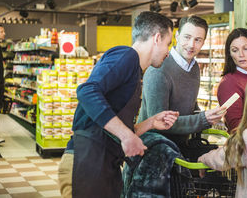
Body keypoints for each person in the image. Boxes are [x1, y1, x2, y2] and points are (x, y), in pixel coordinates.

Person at [58, 11, 179, 198]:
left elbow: (116, 131)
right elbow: (86, 91)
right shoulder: (127, 55)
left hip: (102, 165)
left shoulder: (136, 72)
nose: (168, 51)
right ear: (156, 38)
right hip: (86, 163)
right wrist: (126, 136)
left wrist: (151, 122)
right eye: (168, 44)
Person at [137, 15, 225, 158]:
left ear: (203, 43)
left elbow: (190, 106)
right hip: (152, 154)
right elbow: (160, 122)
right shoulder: (158, 71)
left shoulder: (194, 68)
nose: (191, 45)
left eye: (198, 40)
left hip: (179, 152)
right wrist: (203, 119)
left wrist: (208, 115)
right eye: (187, 37)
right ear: (177, 36)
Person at [217, 28, 247, 132]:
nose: (241, 54)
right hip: (246, 144)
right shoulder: (228, 83)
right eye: (235, 50)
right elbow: (235, 126)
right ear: (229, 53)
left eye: (246, 48)